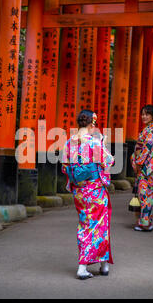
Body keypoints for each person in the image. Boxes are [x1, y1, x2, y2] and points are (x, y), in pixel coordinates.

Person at [62, 110, 115, 280]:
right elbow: (109, 161)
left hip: (80, 192)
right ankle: (84, 267)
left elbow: (65, 167)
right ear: (92, 123)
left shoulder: (69, 143)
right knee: (99, 226)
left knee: (86, 224)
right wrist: (103, 145)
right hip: (95, 192)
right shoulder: (94, 143)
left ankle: (103, 263)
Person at [131, 104, 153, 232]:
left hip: (145, 166)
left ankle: (145, 223)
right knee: (144, 194)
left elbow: (147, 149)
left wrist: (137, 163)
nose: (144, 116)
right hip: (143, 166)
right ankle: (145, 221)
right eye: (142, 114)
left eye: (147, 114)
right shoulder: (147, 129)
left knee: (145, 194)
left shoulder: (152, 131)